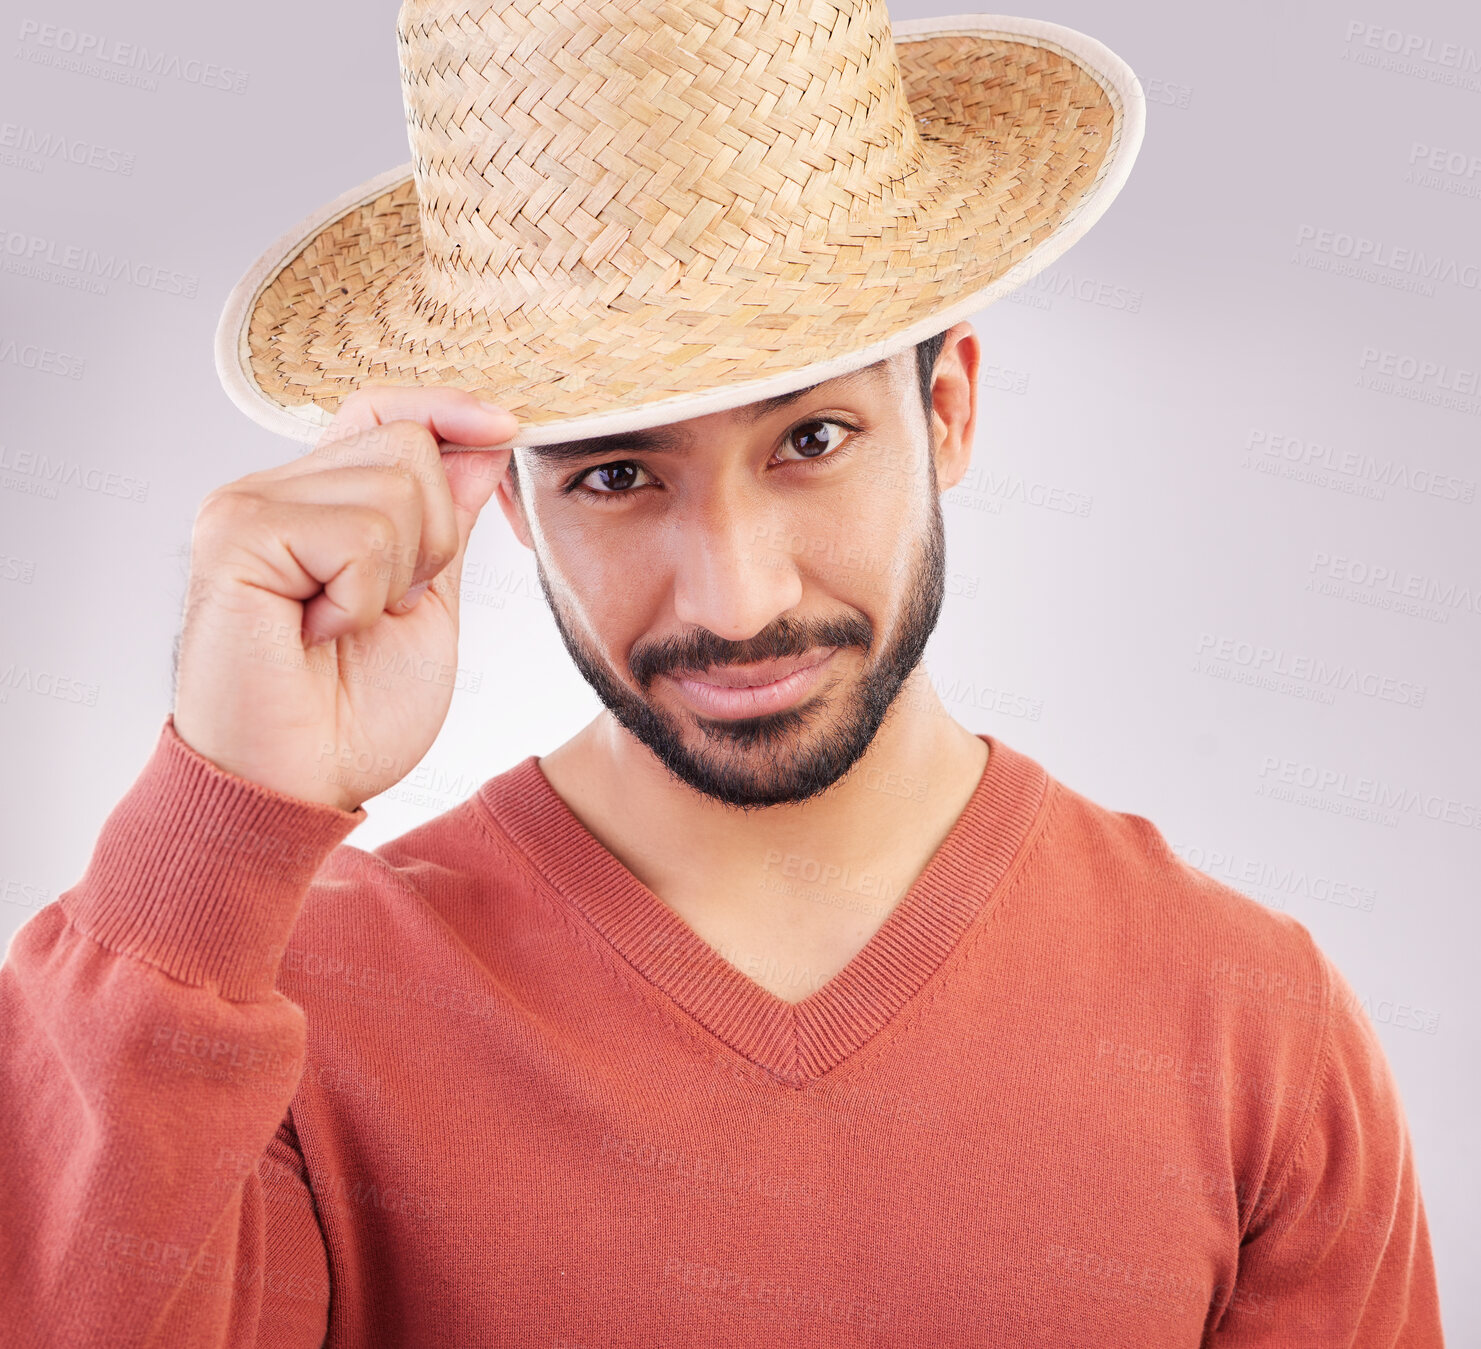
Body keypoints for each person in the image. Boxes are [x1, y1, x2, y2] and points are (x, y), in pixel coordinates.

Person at [0, 1, 1446, 1345]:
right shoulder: (272, 1019)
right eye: (621, 473)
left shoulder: (1250, 1020)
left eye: (811, 440)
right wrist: (224, 807)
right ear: (506, 504)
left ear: (945, 412)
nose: (736, 597)